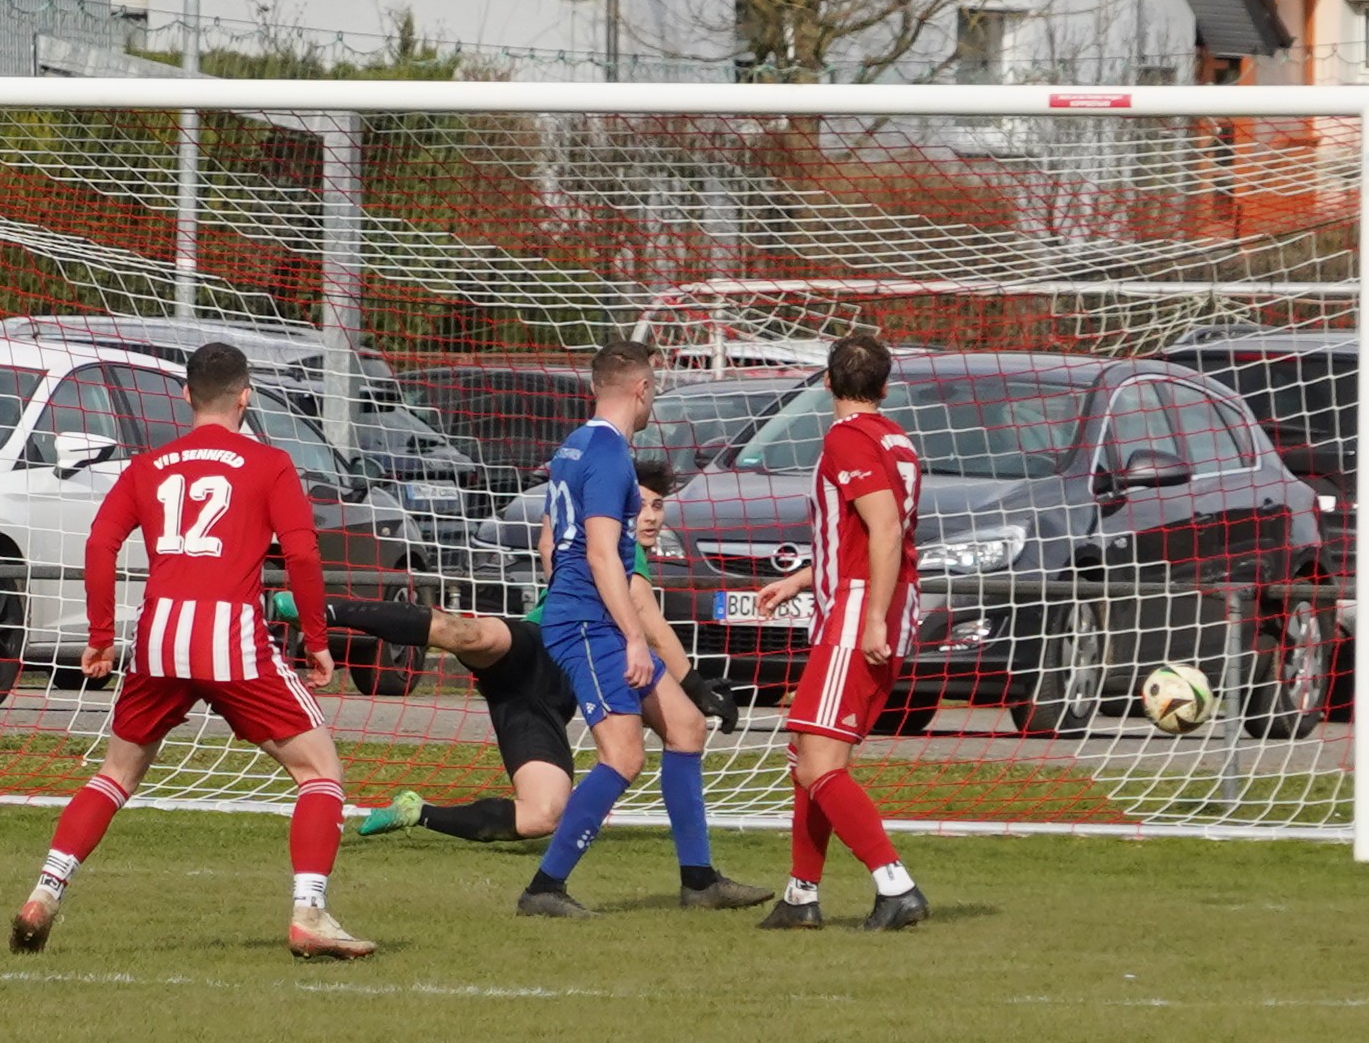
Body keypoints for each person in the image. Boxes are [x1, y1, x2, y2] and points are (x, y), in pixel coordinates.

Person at [9, 343, 374, 960]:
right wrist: (316, 640)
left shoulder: (148, 465)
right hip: (231, 639)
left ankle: (45, 891)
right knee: (319, 772)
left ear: (185, 395)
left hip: (158, 639)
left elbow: (100, 543)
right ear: (245, 396)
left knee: (116, 774)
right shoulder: (270, 463)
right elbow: (303, 553)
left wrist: (101, 636)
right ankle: (309, 912)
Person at [275, 460, 739, 844]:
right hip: (533, 648)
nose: (651, 516)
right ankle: (323, 610)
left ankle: (416, 811)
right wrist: (695, 686)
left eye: (657, 505)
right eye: (638, 505)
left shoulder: (599, 541)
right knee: (468, 634)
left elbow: (550, 543)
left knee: (542, 814)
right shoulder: (615, 547)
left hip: (543, 701)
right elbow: (650, 624)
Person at [519, 340, 771, 918]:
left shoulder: (573, 446)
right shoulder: (610, 456)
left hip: (587, 614)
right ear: (641, 389)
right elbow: (603, 554)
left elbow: (548, 540)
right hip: (592, 624)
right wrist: (631, 636)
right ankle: (544, 888)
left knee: (685, 725)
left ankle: (699, 881)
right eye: (654, 388)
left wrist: (569, 592)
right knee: (623, 755)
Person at [754, 330, 931, 932]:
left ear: (827, 382)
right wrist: (803, 579)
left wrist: (872, 617)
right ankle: (800, 895)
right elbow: (862, 537)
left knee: (819, 764)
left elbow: (885, 530)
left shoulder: (846, 438)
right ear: (884, 387)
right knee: (807, 756)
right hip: (865, 603)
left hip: (860, 613)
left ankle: (895, 885)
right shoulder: (895, 438)